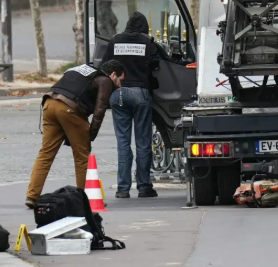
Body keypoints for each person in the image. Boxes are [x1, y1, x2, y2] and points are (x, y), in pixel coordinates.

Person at [25, 61, 126, 208]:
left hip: (49, 103)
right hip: (69, 108)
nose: (120, 86)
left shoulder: (83, 69)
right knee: (82, 156)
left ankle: (32, 196)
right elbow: (100, 109)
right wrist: (91, 133)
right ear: (112, 74)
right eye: (120, 80)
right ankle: (84, 198)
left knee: (45, 153)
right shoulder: (105, 80)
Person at [104, 12, 172, 199]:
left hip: (118, 94)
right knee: (143, 142)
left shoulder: (115, 41)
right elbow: (161, 63)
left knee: (123, 142)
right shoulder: (147, 42)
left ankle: (123, 189)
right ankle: (144, 187)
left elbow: (104, 66)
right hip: (141, 93)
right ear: (143, 26)